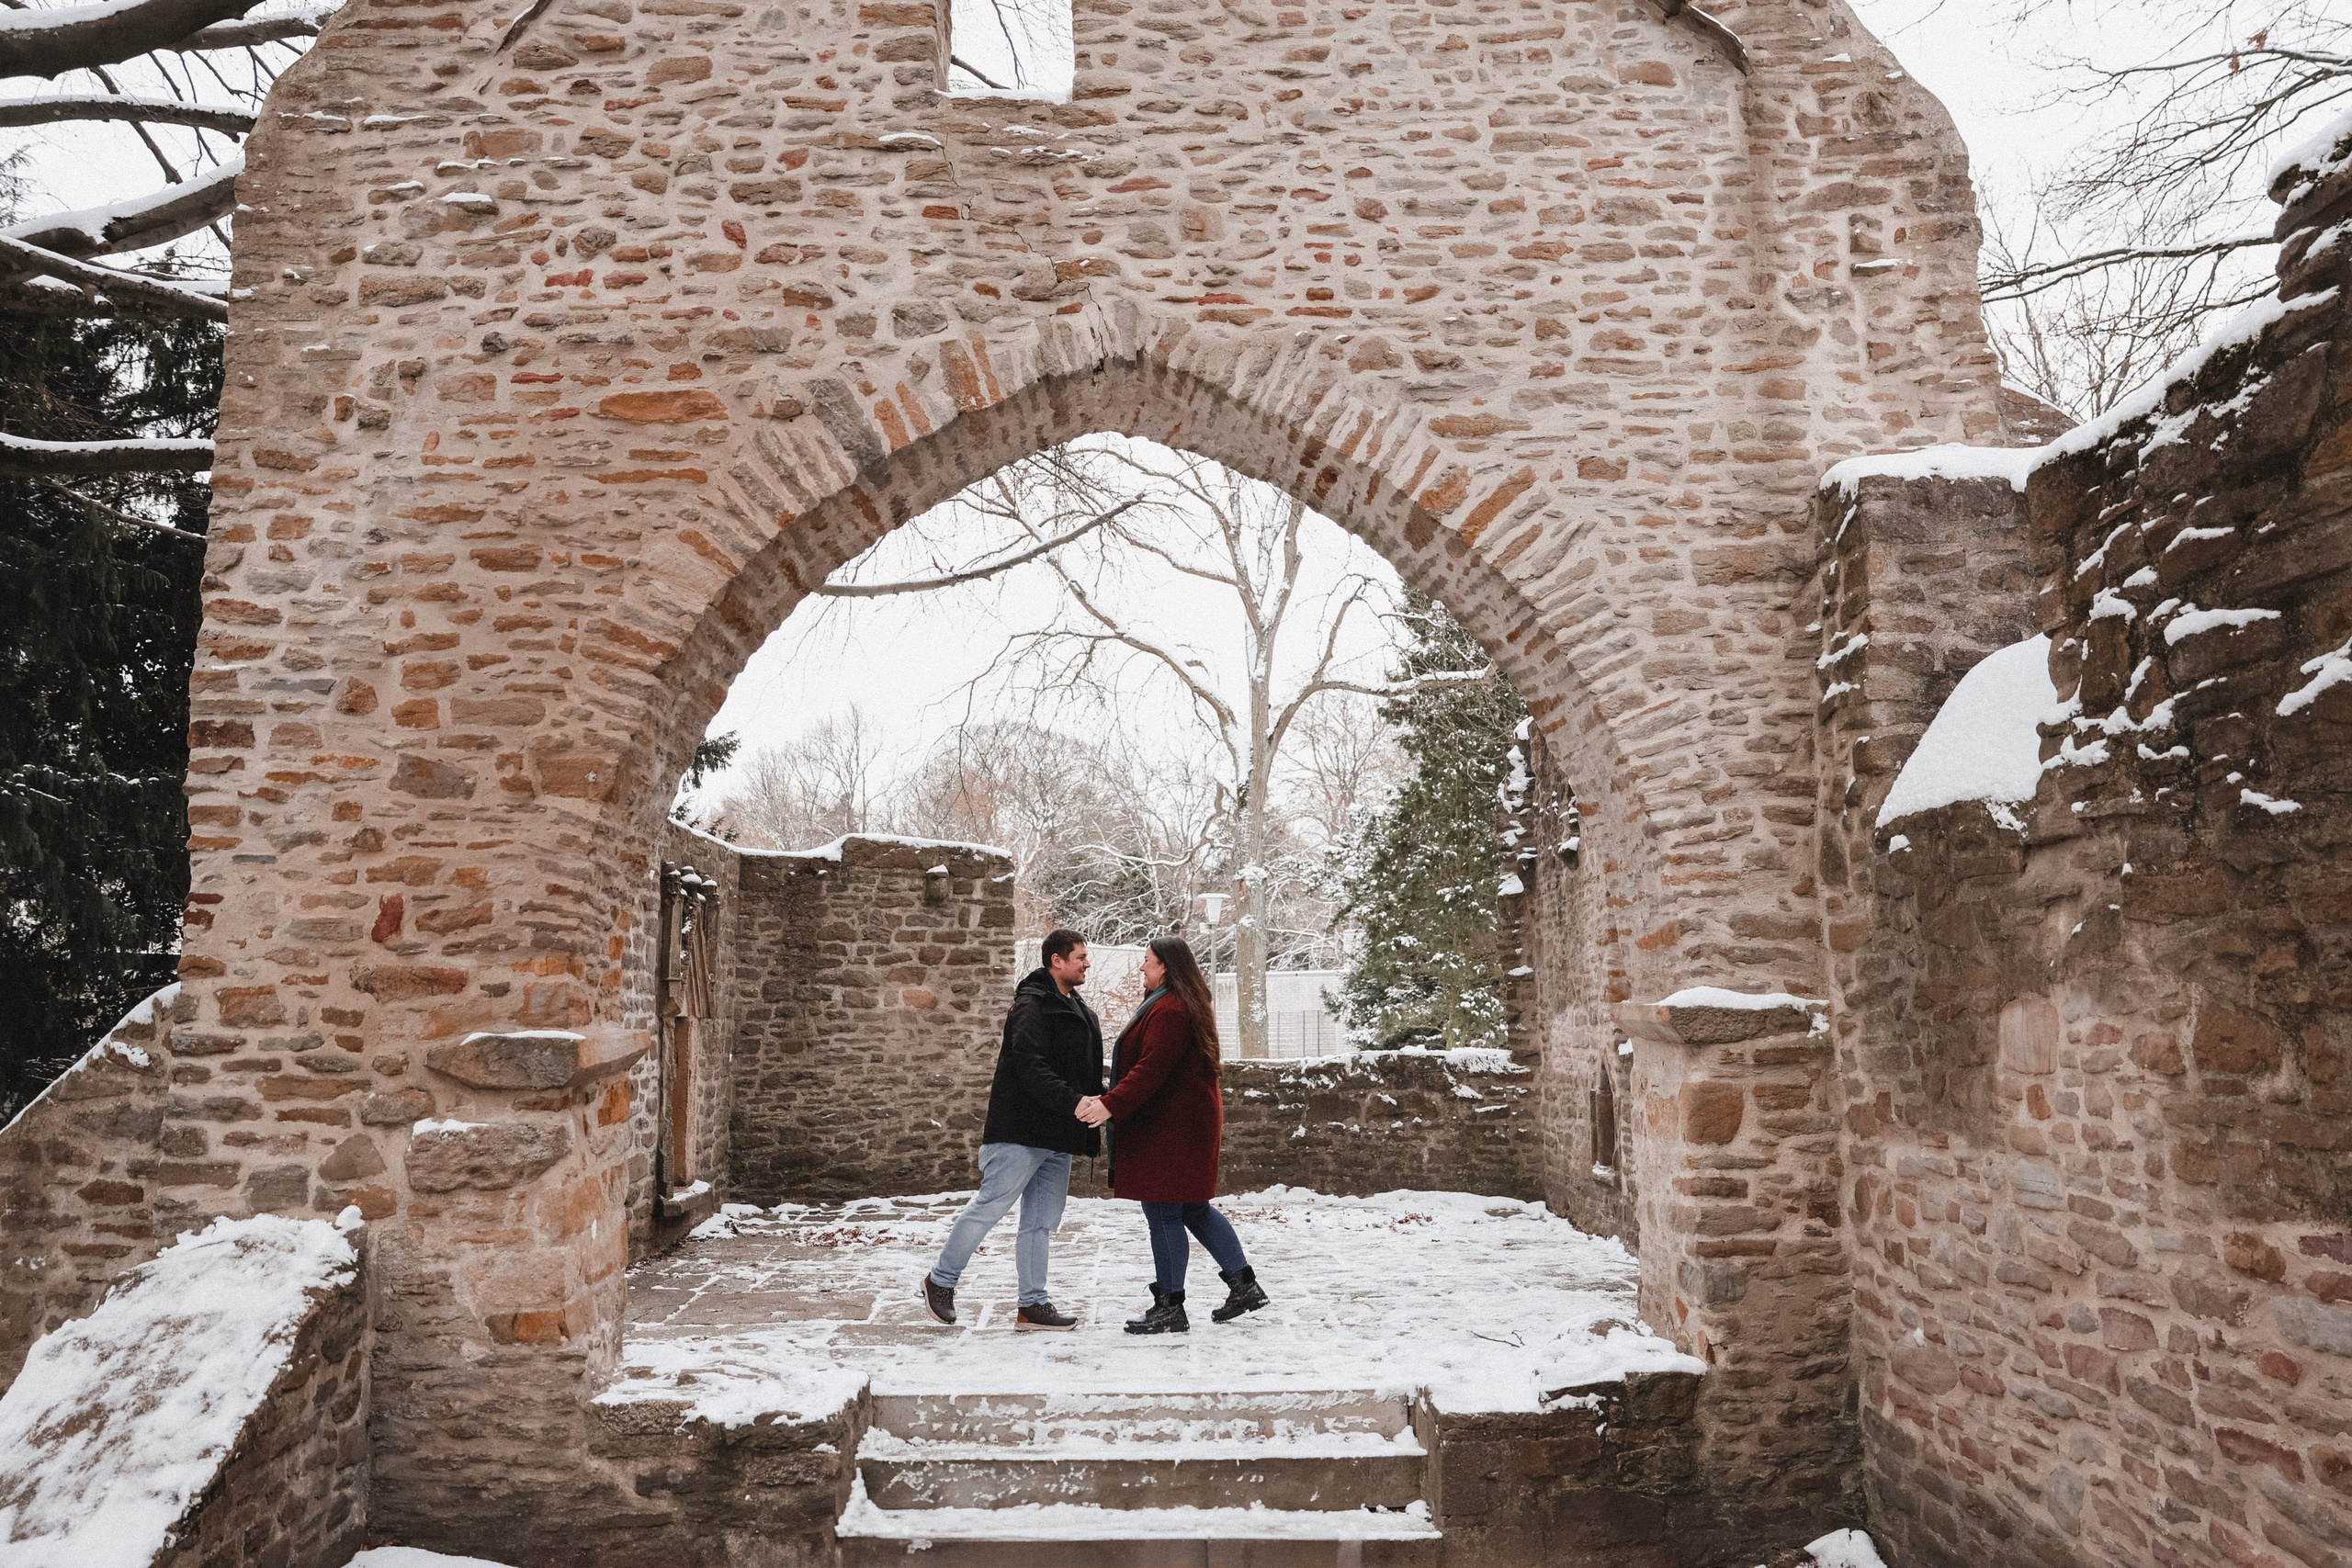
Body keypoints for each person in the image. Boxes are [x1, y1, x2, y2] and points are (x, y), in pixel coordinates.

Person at [1076, 934, 1269, 1335]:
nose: (1141, 967)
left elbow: (1150, 1070)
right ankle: (1244, 1286)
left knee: (1163, 1211)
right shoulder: (1178, 1003)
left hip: (1172, 1128)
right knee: (1193, 1208)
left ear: (1165, 966)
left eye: (1147, 960)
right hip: (1183, 1123)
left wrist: (1110, 1104)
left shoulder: (1169, 1009)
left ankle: (1170, 1305)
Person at [922, 929, 1102, 1330]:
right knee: (990, 1208)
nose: (1086, 963)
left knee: (1041, 1222)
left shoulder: (1077, 1008)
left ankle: (1032, 1306)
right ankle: (940, 1280)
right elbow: (1029, 1066)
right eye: (1080, 957)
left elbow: (1081, 1074)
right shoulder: (1031, 1005)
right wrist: (1074, 1102)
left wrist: (1106, 1101)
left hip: (1059, 1134)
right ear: (1056, 961)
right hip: (1021, 1131)